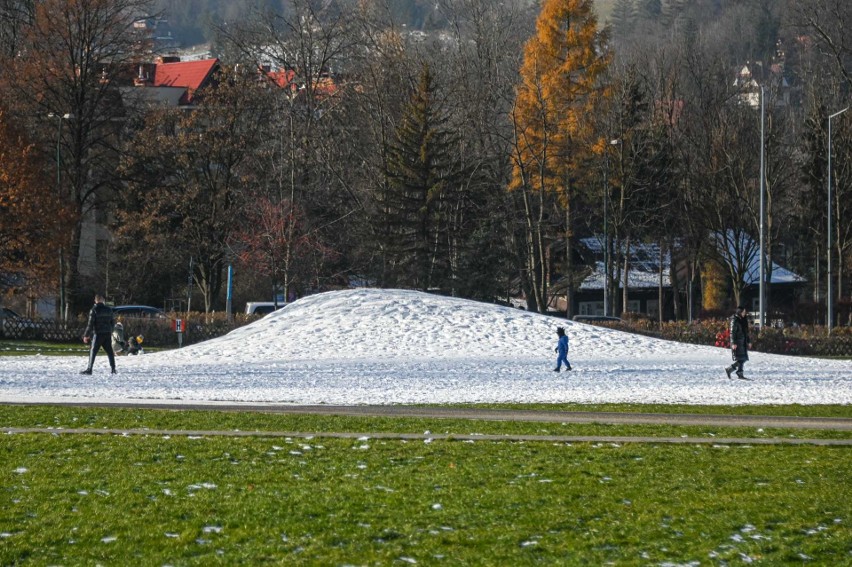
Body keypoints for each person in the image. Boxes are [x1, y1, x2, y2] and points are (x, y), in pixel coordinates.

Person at [81, 294, 116, 375]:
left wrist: (86, 335)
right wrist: (110, 330)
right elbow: (112, 323)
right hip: (107, 333)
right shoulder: (109, 309)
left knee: (93, 351)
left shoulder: (94, 310)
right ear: (103, 300)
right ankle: (113, 369)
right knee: (110, 351)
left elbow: (90, 324)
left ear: (95, 300)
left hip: (98, 333)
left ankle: (89, 369)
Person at [725, 305, 751, 380]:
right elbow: (732, 333)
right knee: (741, 358)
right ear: (739, 312)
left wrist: (748, 341)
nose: (744, 313)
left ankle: (736, 371)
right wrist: (733, 343)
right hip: (737, 342)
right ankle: (735, 371)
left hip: (743, 341)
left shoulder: (743, 319)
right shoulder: (735, 320)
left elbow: (746, 332)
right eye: (743, 312)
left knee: (743, 358)